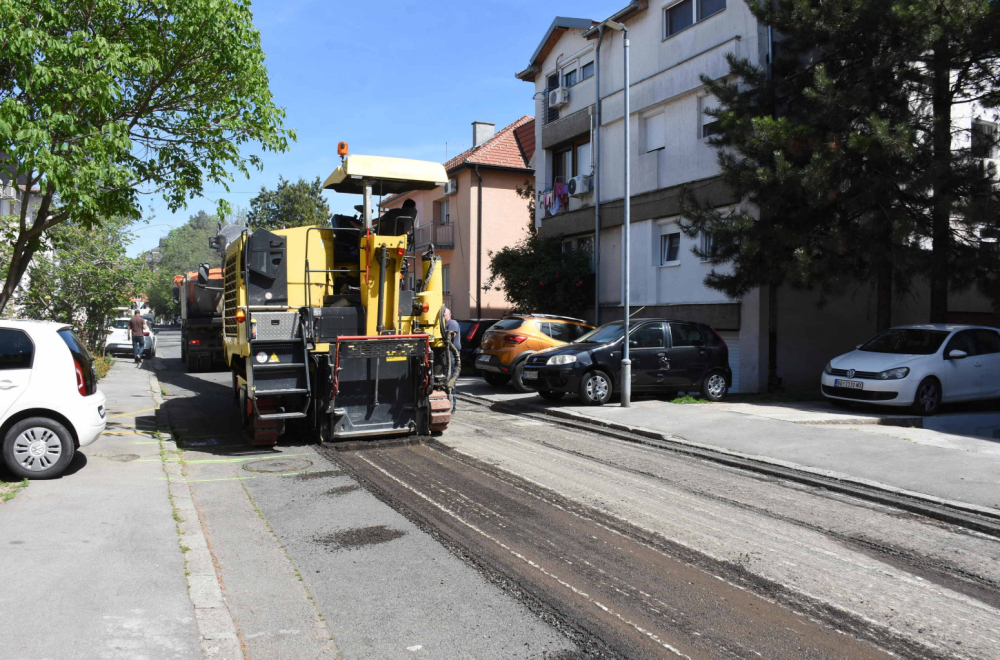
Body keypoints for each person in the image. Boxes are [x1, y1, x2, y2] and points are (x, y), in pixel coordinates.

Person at [443, 307, 461, 413]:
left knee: (451, 380)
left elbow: (452, 334)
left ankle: (452, 406)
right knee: (446, 379)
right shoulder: (443, 325)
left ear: (449, 314)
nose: (443, 315)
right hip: (446, 355)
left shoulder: (452, 323)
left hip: (452, 355)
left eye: (444, 313)